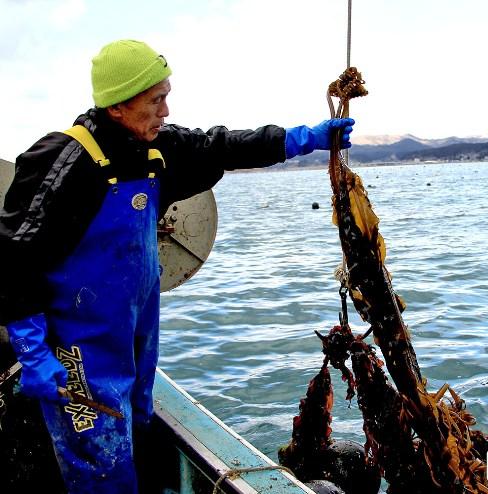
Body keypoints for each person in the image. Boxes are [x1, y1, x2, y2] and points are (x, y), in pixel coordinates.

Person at [0, 39, 354, 493]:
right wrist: (32, 352)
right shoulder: (64, 160)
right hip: (78, 346)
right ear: (118, 106)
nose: (166, 110)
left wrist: (303, 139)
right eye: (156, 100)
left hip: (135, 333)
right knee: (99, 462)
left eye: (166, 95)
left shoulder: (155, 149)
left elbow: (222, 146)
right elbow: (13, 258)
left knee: (138, 427)